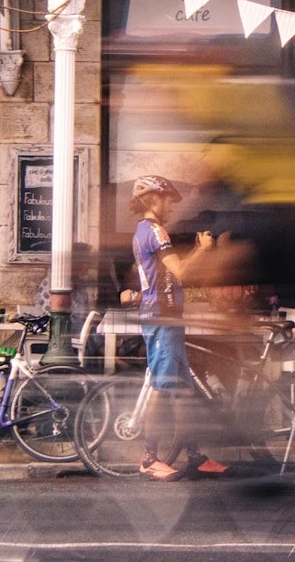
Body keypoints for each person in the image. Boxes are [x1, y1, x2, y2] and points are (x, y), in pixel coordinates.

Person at [129, 174, 228, 481]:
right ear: (154, 199)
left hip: (167, 317)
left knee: (182, 391)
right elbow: (182, 270)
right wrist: (203, 248)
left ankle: (195, 456)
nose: (172, 206)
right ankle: (148, 458)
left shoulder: (144, 231)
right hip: (161, 318)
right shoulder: (155, 232)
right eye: (170, 199)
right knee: (161, 389)